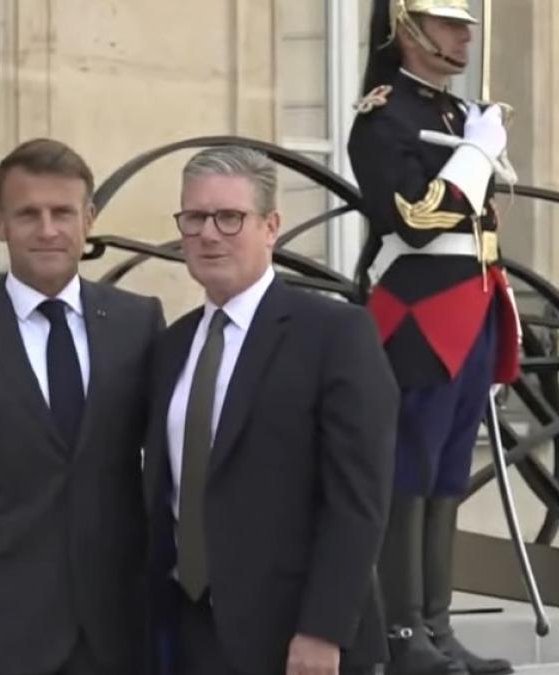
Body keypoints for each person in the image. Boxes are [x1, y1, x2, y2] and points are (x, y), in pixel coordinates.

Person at [0, 138, 165, 675]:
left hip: (121, 634)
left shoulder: (139, 324)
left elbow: (168, 473)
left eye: (62, 213)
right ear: (0, 224)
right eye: (28, 214)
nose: (47, 230)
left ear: (88, 220)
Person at [144, 146, 399, 675]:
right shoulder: (172, 346)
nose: (209, 234)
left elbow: (358, 500)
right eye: (194, 218)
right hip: (189, 632)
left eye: (229, 217)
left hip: (297, 642)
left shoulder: (335, 333)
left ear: (271, 227)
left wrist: (323, 630)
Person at [347, 2, 522, 674]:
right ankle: (401, 631)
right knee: (411, 464)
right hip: (420, 309)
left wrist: (477, 143)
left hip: (473, 302)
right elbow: (416, 220)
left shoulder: (455, 113)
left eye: (465, 21)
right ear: (408, 28)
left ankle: (437, 628)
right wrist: (477, 153)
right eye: (447, 22)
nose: (465, 33)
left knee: (449, 468)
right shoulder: (383, 116)